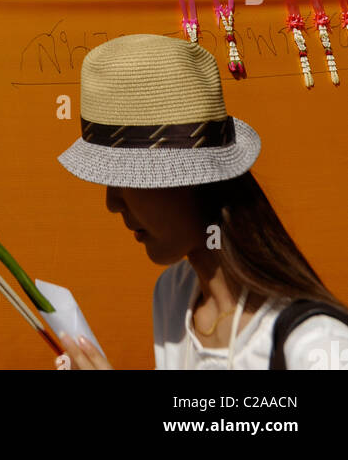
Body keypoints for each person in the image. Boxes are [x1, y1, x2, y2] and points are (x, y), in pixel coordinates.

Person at [53, 33, 348, 370]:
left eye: (127, 179)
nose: (112, 202)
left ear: (191, 180)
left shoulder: (318, 345)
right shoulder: (174, 296)